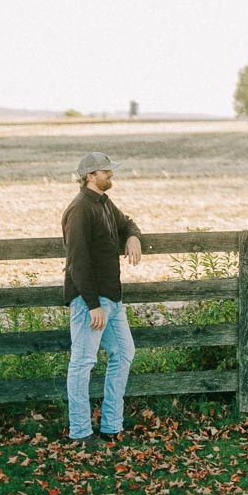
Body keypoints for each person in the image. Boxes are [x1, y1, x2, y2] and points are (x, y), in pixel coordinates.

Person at [62, 151, 142, 448]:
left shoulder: (104, 203)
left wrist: (132, 236)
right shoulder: (81, 208)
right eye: (106, 172)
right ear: (90, 176)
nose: (111, 176)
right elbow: (77, 261)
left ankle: (111, 426)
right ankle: (81, 433)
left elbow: (128, 224)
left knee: (123, 353)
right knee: (82, 363)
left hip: (111, 298)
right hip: (90, 301)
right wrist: (92, 304)